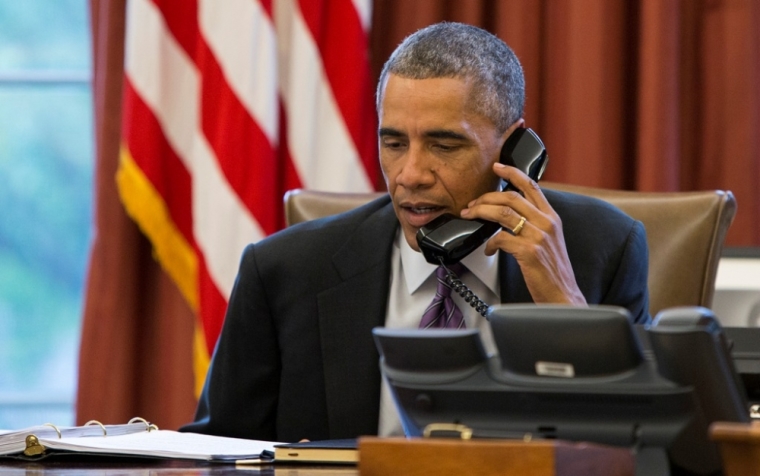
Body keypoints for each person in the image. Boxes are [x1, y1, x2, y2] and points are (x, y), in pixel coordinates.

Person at [181, 22, 649, 442]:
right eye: (394, 143)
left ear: (513, 148)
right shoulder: (284, 270)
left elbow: (641, 447)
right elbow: (217, 451)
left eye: (444, 145)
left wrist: (564, 307)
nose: (410, 174)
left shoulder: (603, 248)